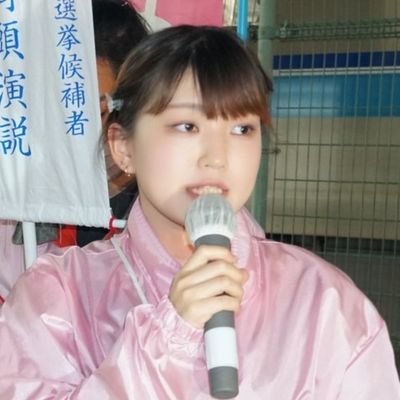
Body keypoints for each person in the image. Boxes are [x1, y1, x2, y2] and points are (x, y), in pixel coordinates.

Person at [0, 26, 399, 399]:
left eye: (242, 129)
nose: (217, 157)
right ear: (123, 147)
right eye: (187, 126)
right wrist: (169, 338)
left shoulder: (323, 301)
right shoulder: (57, 297)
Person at [0, 0, 149, 303]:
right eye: (52, 107)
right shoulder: (15, 208)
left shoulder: (168, 217)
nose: (69, 130)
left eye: (89, 111)